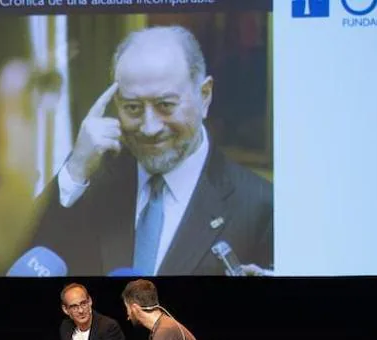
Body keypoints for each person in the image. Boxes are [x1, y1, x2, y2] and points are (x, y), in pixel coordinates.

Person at [22, 25, 272, 276]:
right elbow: (29, 262)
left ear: (204, 95)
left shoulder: (260, 205)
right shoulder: (91, 180)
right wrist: (76, 168)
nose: (149, 128)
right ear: (116, 102)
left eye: (165, 105)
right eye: (133, 108)